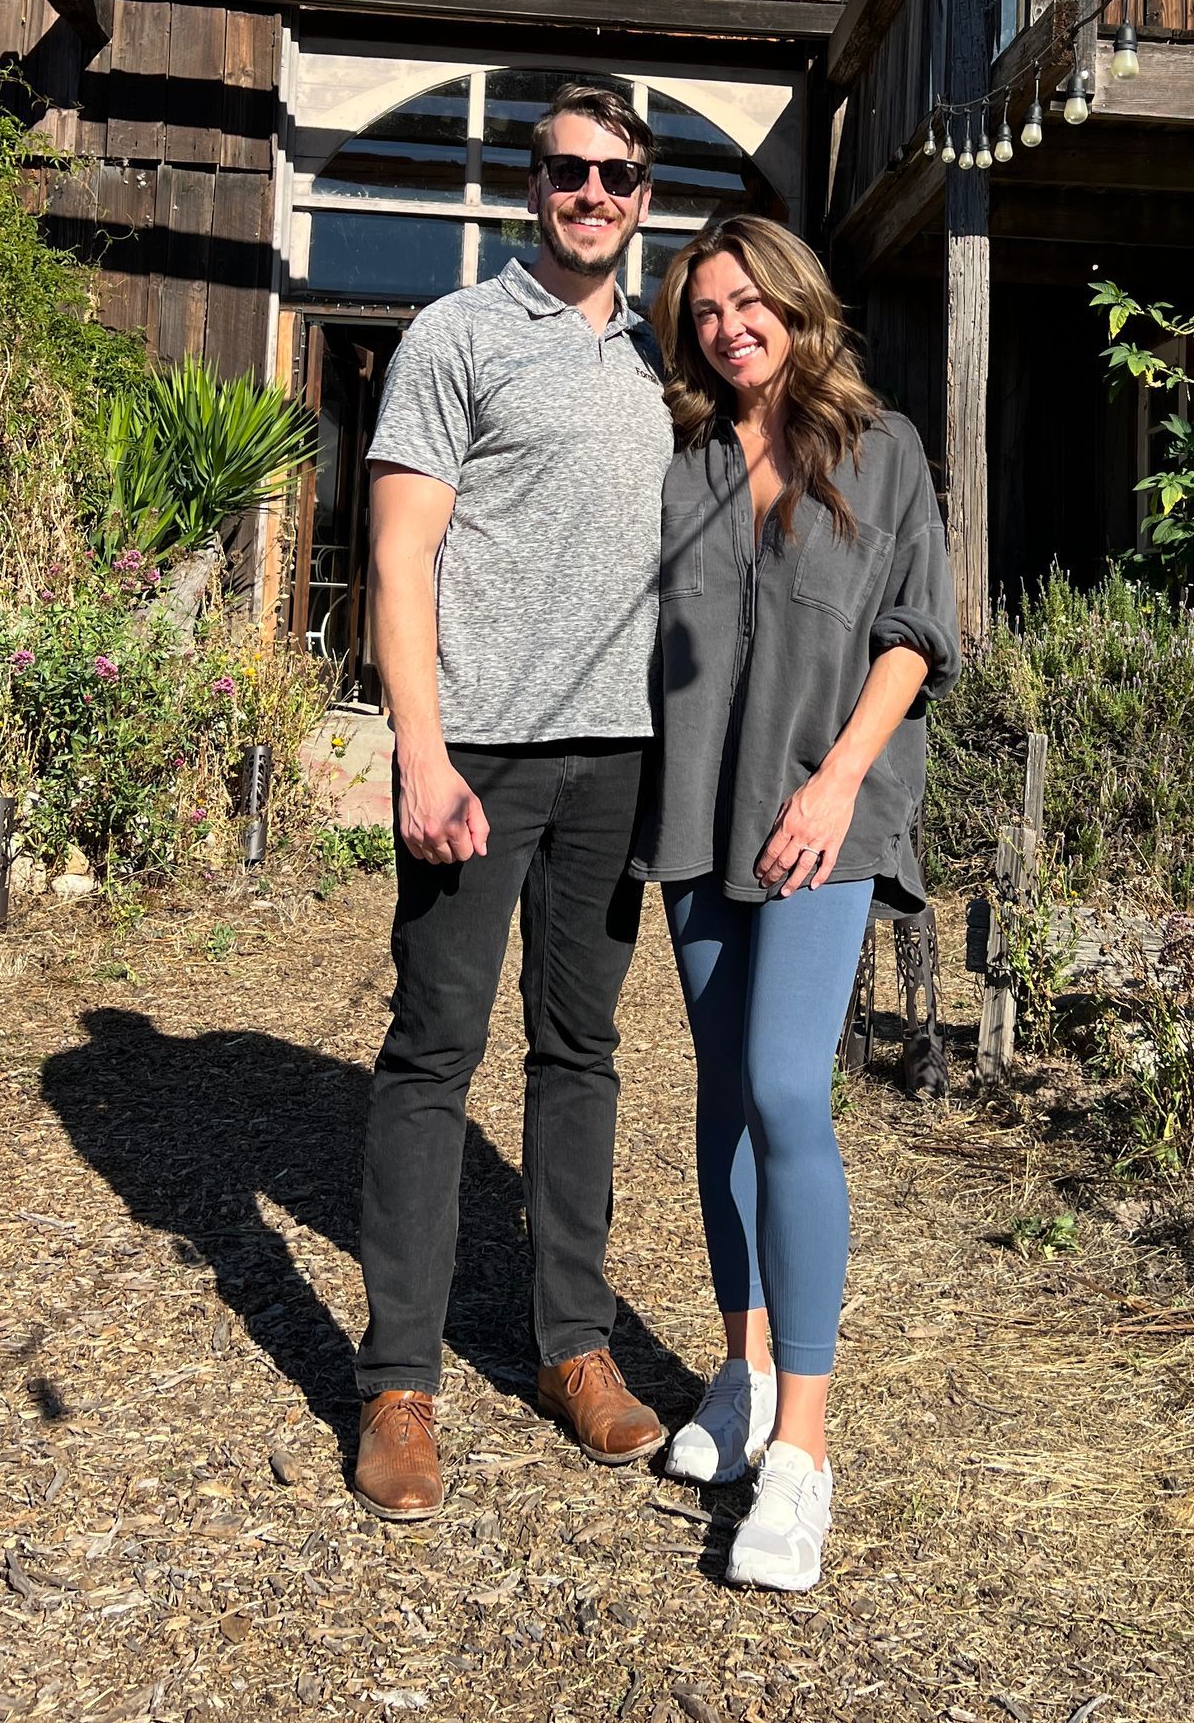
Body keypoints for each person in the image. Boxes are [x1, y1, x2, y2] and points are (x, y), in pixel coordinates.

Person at [351, 83, 674, 1521]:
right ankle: (399, 1383)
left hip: (623, 759)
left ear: (644, 193)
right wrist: (419, 751)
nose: (587, 193)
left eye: (612, 173)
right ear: (529, 183)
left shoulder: (675, 353)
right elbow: (400, 556)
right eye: (564, 170)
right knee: (432, 1054)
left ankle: (573, 1349)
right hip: (478, 752)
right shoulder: (457, 337)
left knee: (581, 1051)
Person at [631, 218, 959, 1592]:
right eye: (705, 308)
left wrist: (833, 788)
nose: (728, 323)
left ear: (798, 304)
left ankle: (805, 1456)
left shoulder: (880, 448)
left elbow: (914, 634)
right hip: (701, 813)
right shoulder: (682, 456)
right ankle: (742, 1369)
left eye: (749, 298)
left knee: (785, 1090)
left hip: (825, 817)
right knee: (720, 1100)